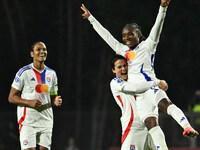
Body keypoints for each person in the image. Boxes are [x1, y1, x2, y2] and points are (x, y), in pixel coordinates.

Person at [81, 0, 198, 149]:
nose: (126, 37)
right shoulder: (123, 51)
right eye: (124, 35)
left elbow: (158, 26)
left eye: (130, 34)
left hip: (151, 88)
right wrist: (91, 18)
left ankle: (186, 126)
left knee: (165, 105)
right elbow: (107, 36)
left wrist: (163, 8)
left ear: (139, 34)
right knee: (151, 124)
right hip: (140, 97)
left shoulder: (148, 46)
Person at [8, 41, 62, 150]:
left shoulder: (52, 74)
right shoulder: (23, 72)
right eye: (38, 49)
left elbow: (52, 97)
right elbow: (11, 97)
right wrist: (29, 102)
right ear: (32, 54)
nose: (42, 52)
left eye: (44, 49)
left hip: (46, 121)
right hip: (28, 121)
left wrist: (56, 101)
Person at [110, 54, 168, 150]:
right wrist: (157, 82)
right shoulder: (116, 82)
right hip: (133, 128)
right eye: (119, 67)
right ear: (113, 70)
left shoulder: (140, 80)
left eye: (125, 65)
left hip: (151, 126)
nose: (123, 69)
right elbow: (135, 89)